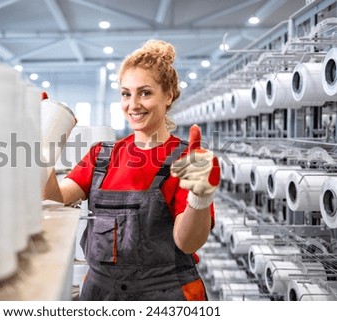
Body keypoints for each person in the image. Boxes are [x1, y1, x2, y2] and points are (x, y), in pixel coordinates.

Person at [44, 39, 220, 301]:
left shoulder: (185, 158)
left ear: (168, 95)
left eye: (145, 93)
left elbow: (188, 243)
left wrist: (199, 196)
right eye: (126, 94)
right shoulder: (102, 155)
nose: (133, 104)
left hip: (165, 295)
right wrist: (42, 138)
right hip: (100, 293)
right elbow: (56, 195)